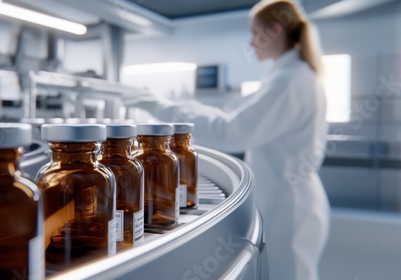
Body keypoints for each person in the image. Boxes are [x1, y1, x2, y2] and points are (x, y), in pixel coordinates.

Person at [124, 0, 330, 279]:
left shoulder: (290, 80)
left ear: (276, 30)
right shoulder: (288, 76)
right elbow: (235, 117)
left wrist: (164, 108)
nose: (252, 42)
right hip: (289, 197)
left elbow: (231, 132)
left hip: (289, 206)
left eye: (255, 33)